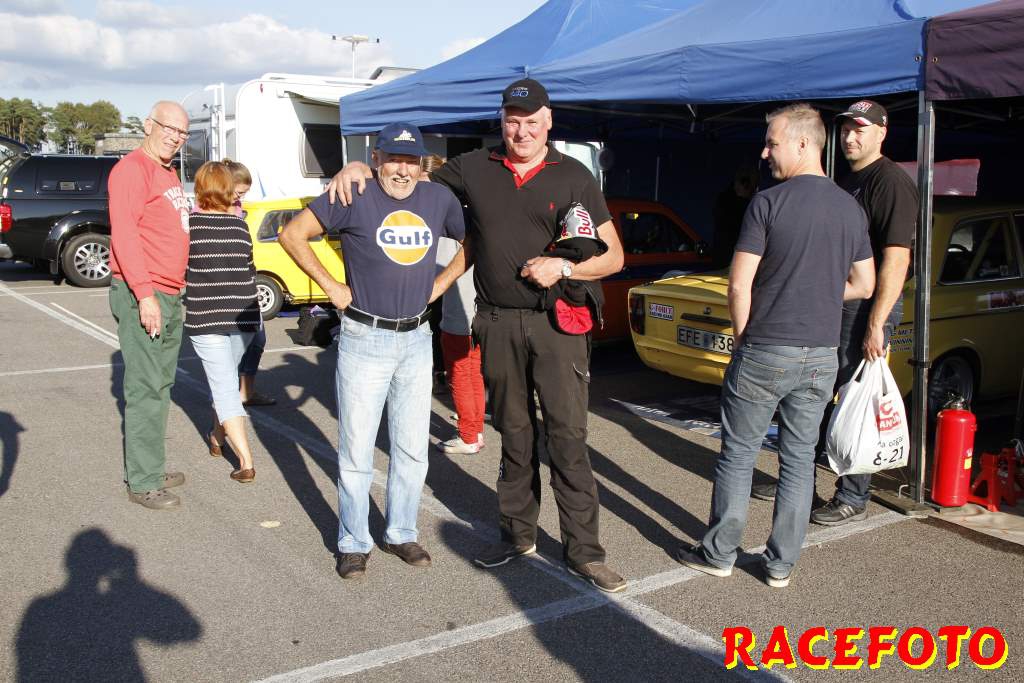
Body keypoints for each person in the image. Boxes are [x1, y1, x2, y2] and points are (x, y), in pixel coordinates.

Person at [328, 78, 628, 593]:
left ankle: (585, 552)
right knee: (514, 434)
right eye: (513, 121)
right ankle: (517, 536)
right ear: (502, 122)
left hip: (556, 324)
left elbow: (614, 257)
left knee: (566, 438)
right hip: (497, 320)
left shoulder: (574, 175)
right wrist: (358, 167)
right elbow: (407, 173)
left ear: (548, 122)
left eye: (531, 122)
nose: (521, 132)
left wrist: (563, 268)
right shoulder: (473, 167)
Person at [675, 103, 875, 588]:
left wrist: (744, 338)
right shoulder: (849, 208)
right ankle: (781, 564)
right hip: (820, 353)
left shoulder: (767, 203)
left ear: (804, 143)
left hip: (766, 346)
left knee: (739, 453)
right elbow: (864, 283)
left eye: (772, 143)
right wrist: (818, 293)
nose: (765, 154)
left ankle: (719, 552)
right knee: (799, 459)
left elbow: (738, 284)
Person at [279, 122, 465, 580]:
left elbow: (473, 241)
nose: (402, 170)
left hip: (417, 339)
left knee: (411, 448)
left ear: (421, 164)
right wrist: (332, 287)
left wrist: (441, 284)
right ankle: (353, 541)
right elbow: (292, 235)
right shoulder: (354, 193)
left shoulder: (438, 199)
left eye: (411, 161)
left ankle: (400, 532)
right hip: (365, 338)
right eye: (393, 159)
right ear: (376, 158)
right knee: (357, 450)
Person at [750, 101, 917, 527]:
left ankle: (853, 495)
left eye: (860, 129)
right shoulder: (847, 179)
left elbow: (897, 258)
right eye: (845, 129)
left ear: (882, 132)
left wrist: (877, 323)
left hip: (866, 306)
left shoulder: (890, 182)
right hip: (838, 299)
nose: (849, 137)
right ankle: (798, 480)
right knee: (813, 393)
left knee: (854, 397)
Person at [108, 101, 191, 510]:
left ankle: (152, 467)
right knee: (145, 387)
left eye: (182, 133)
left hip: (169, 292)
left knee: (161, 385)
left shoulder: (166, 171)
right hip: (145, 292)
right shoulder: (131, 170)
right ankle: (143, 481)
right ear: (148, 125)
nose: (175, 137)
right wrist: (144, 295)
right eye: (168, 128)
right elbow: (124, 236)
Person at [185, 161, 262, 483]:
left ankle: (245, 461)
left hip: (207, 317)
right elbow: (249, 268)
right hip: (245, 316)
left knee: (225, 387)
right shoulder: (240, 225)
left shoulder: (190, 226)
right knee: (226, 382)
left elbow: (180, 269)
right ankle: (217, 437)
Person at [222, 158, 276, 408]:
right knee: (230, 352)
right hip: (227, 291)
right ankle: (224, 404)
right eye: (239, 192)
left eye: (244, 193)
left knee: (257, 340)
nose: (241, 198)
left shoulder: (237, 209)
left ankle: (246, 392)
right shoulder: (211, 211)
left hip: (246, 285)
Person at [436, 235, 486, 454]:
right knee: (474, 374)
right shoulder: (481, 227)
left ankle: (468, 436)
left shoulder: (448, 235)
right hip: (480, 314)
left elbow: (436, 270)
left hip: (458, 317)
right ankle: (476, 431)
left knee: (460, 377)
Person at [711, 163, 759, 269]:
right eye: (751, 188)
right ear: (745, 184)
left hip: (723, 256)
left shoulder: (724, 199)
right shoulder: (740, 204)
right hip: (732, 257)